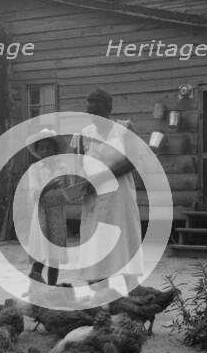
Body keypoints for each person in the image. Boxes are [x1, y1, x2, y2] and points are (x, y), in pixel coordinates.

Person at [78, 88, 143, 290]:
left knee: (124, 238)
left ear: (108, 110)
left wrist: (102, 176)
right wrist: (82, 183)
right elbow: (80, 164)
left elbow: (133, 161)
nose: (93, 117)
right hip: (95, 199)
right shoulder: (84, 134)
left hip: (120, 196)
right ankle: (101, 293)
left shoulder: (125, 128)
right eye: (90, 113)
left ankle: (133, 289)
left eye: (97, 112)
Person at [25, 129, 68, 286]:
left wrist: (69, 190)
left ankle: (52, 289)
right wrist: (49, 186)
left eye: (49, 147)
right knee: (40, 255)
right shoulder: (34, 168)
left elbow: (66, 192)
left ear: (55, 150)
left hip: (57, 214)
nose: (45, 151)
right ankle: (33, 287)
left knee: (54, 258)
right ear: (38, 151)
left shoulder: (62, 167)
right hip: (41, 215)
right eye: (42, 148)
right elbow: (34, 193)